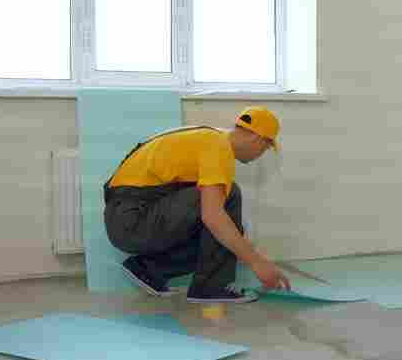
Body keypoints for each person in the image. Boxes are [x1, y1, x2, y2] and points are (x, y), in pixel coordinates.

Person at [103, 106, 291, 304]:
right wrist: (257, 262)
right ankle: (212, 287)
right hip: (134, 220)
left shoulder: (207, 137)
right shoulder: (218, 146)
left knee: (226, 218)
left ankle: (148, 269)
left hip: (127, 217)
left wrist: (243, 245)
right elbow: (213, 216)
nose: (260, 155)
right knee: (227, 200)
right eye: (266, 148)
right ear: (257, 139)